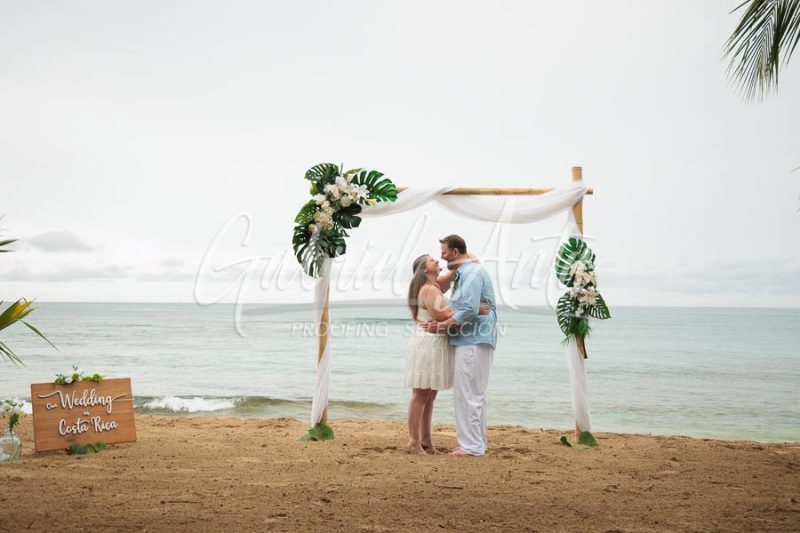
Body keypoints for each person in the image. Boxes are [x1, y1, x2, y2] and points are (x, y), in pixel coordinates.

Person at [404, 253, 489, 455]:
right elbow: (443, 315)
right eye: (432, 260)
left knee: (430, 395)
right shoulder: (429, 289)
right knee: (421, 394)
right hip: (428, 344)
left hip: (435, 343)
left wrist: (466, 259)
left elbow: (451, 273)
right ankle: (414, 441)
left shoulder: (434, 285)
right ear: (425, 269)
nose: (437, 260)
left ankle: (426, 440)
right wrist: (474, 309)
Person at [423, 234, 497, 457]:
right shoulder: (466, 271)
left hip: (472, 339)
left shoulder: (471, 273)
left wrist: (442, 326)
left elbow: (469, 309)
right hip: (474, 338)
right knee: (475, 393)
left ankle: (471, 446)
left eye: (444, 252)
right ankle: (477, 443)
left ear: (455, 252)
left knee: (467, 393)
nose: (442, 257)